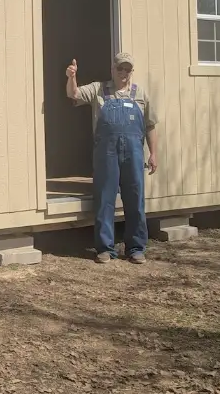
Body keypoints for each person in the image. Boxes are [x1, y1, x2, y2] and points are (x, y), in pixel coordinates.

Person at [65, 53, 158, 264]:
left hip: (134, 154)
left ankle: (136, 248)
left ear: (131, 72)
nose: (123, 73)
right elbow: (73, 94)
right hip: (106, 154)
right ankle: (105, 249)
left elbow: (150, 125)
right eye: (120, 69)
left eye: (127, 69)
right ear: (112, 70)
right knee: (105, 200)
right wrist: (71, 77)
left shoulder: (140, 94)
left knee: (135, 200)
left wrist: (153, 153)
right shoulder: (98, 89)